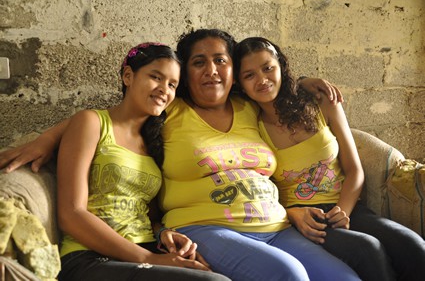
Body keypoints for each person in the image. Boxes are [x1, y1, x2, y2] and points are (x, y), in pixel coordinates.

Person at [0, 29, 357, 281]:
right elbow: (113, 118)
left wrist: (308, 81)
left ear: (234, 71)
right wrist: (49, 138)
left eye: (221, 60)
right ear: (186, 73)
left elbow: (275, 80)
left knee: (344, 276)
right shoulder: (170, 109)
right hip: (206, 227)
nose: (212, 70)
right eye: (199, 62)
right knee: (290, 276)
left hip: (276, 225)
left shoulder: (249, 105)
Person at [233, 36, 425, 281]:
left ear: (281, 65)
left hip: (347, 206)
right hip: (304, 220)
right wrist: (293, 213)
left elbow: (354, 169)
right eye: (249, 75)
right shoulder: (249, 124)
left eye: (268, 68)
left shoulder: (322, 102)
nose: (262, 80)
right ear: (240, 82)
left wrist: (342, 211)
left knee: (412, 245)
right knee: (367, 249)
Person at [55, 42, 230, 281]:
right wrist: (149, 259)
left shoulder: (154, 140)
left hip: (145, 248)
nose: (164, 90)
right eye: (156, 77)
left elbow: (143, 213)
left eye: (172, 85)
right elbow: (71, 214)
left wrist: (162, 233)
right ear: (128, 76)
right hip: (90, 257)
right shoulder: (92, 122)